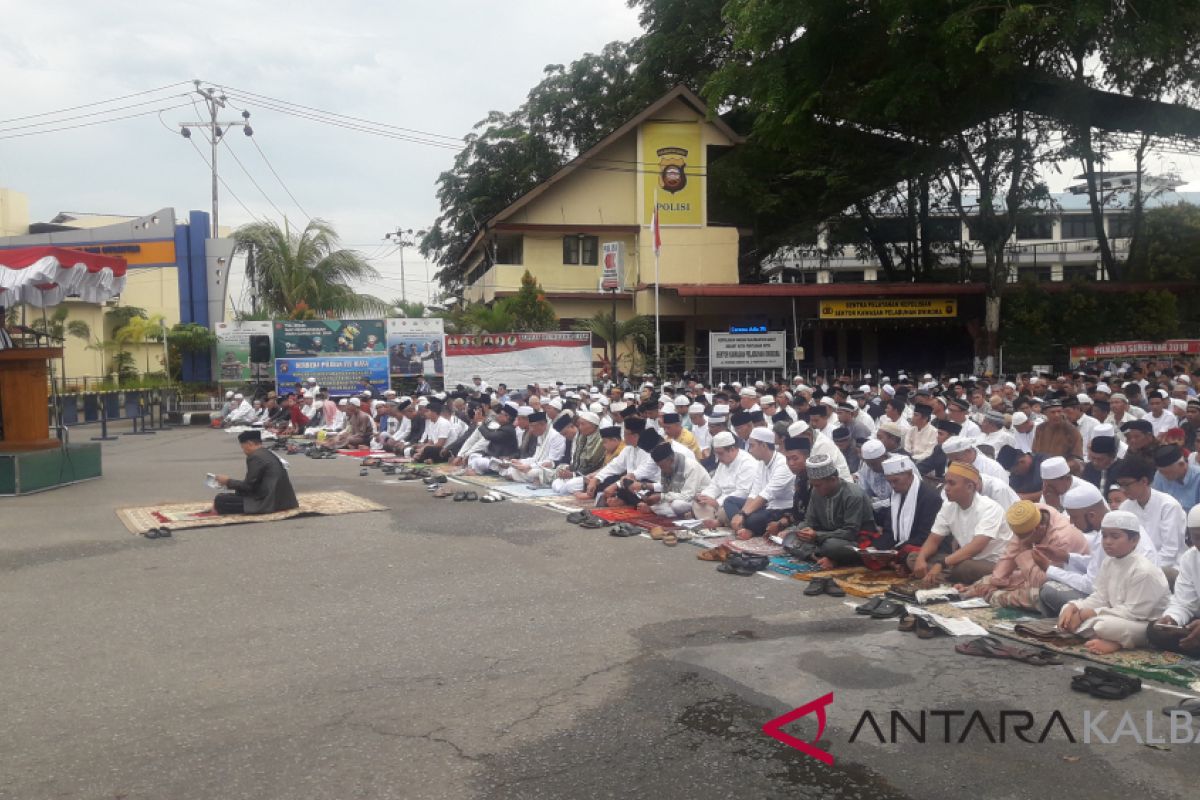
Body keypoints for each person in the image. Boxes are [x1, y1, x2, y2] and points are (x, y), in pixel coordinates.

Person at [1038, 482, 1160, 616]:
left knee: (1049, 589)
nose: (1072, 522)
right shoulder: (1113, 528)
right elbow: (1097, 564)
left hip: (1126, 604)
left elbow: (1090, 585)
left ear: (1091, 515)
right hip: (1111, 594)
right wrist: (1067, 557)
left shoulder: (1111, 535)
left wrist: (1048, 569)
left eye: (1074, 517)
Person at [1058, 511, 1170, 655]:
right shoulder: (1108, 562)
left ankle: (1115, 642)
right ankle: (1110, 639)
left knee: (1103, 626)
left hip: (1143, 624)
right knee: (1066, 609)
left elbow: (1134, 613)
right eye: (1104, 536)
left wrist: (1088, 614)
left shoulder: (1143, 570)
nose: (1108, 541)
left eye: (1115, 536)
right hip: (1116, 615)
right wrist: (1075, 607)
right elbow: (1100, 597)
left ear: (1134, 540)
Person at [958, 500, 1088, 611]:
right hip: (1035, 573)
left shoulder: (1061, 538)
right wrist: (995, 582)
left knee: (1031, 595)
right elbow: (1008, 558)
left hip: (1063, 585)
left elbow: (1040, 582)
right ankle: (970, 591)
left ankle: (992, 597)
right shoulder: (1029, 514)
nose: (1019, 540)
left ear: (1038, 529)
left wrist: (1025, 548)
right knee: (992, 579)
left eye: (1022, 538)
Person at [907, 461, 1014, 586]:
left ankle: (944, 580)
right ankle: (948, 581)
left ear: (969, 487)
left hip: (992, 563)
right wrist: (921, 559)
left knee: (965, 567)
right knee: (913, 557)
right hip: (963, 559)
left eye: (951, 483)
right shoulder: (948, 506)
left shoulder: (990, 508)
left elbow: (976, 547)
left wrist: (942, 564)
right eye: (945, 482)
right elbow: (934, 539)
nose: (946, 487)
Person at [790, 453, 878, 569]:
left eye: (818, 485)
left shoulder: (853, 494)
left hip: (852, 541)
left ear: (833, 479)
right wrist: (801, 531)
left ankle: (825, 556)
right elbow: (810, 521)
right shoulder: (816, 492)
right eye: (813, 485)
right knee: (790, 538)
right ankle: (818, 557)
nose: (815, 488)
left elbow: (850, 532)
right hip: (824, 537)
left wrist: (817, 535)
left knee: (831, 546)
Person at [1117, 456, 1188, 572]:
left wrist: (1142, 569)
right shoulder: (1125, 507)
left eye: (1126, 484)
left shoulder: (1168, 506)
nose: (1122, 490)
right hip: (1135, 566)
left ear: (1144, 481)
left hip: (1169, 567)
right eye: (1120, 485)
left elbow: (1170, 552)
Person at [1147, 505, 1200, 656]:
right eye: (1197, 537)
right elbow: (1184, 603)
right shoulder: (1190, 558)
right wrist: (1172, 619)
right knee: (1155, 631)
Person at [212, 430, 299, 515]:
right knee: (232, 496)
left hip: (269, 502)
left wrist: (227, 481)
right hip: (285, 500)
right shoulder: (268, 452)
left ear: (250, 444)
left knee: (220, 500)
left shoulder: (256, 457)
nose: (243, 451)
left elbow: (248, 486)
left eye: (243, 447)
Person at [728, 428, 794, 539]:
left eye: (752, 445)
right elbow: (754, 493)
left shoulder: (783, 464)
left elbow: (766, 495)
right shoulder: (761, 462)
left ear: (764, 445)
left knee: (754, 520)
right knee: (730, 501)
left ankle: (749, 529)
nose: (749, 450)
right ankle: (744, 527)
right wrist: (743, 513)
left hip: (780, 509)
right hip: (764, 506)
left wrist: (742, 514)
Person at [882, 455, 945, 565]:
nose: (892, 486)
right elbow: (889, 531)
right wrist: (876, 548)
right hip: (900, 547)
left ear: (910, 475)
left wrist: (895, 549)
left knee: (910, 558)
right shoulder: (895, 496)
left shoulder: (930, 498)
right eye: (889, 482)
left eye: (895, 481)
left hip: (924, 548)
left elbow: (925, 536)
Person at [693, 431, 759, 528]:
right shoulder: (723, 462)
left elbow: (743, 492)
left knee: (723, 512)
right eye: (717, 454)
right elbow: (715, 485)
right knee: (697, 504)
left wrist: (718, 503)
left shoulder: (748, 463)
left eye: (720, 453)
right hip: (720, 501)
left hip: (737, 503)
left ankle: (717, 521)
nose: (718, 458)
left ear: (732, 449)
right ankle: (715, 522)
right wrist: (705, 496)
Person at [639, 442, 711, 518]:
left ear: (670, 460)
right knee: (658, 499)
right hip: (681, 497)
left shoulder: (691, 467)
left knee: (677, 505)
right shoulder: (668, 467)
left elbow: (687, 495)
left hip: (699, 499)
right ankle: (661, 510)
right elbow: (667, 489)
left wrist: (661, 497)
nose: (661, 469)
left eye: (662, 466)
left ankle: (690, 514)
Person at [1150, 444, 1200, 514]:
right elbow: (1154, 503)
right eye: (1161, 472)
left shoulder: (1198, 477)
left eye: (1168, 472)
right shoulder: (1160, 475)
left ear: (1182, 464)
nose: (1164, 476)